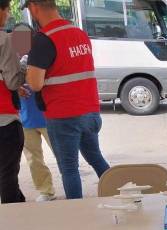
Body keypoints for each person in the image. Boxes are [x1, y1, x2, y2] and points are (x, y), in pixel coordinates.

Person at [22, 0, 109, 199]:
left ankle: (76, 214)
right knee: (96, 158)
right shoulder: (79, 33)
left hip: (63, 115)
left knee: (69, 169)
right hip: (90, 111)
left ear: (34, 7)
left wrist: (27, 70)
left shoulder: (43, 40)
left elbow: (35, 84)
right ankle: (119, 194)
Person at [0, 0, 26, 203]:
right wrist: (24, 66)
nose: (8, 14)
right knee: (7, 175)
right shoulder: (5, 40)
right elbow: (12, 81)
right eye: (7, 9)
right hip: (5, 119)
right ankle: (13, 221)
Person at [20, 84, 56, 202]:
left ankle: (72, 186)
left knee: (62, 157)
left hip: (50, 116)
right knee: (34, 160)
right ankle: (46, 190)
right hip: (25, 118)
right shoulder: (14, 66)